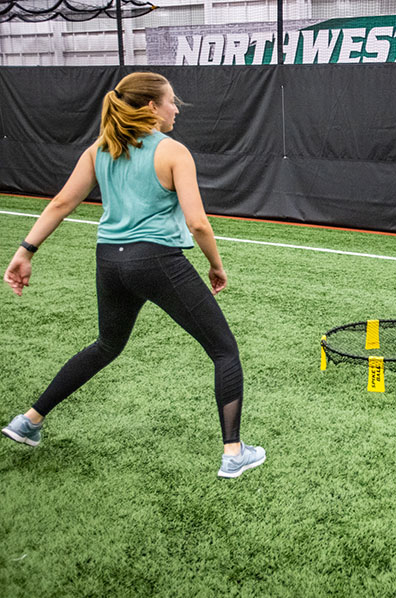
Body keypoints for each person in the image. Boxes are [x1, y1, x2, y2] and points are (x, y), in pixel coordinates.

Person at [1, 72, 265, 479]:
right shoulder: (174, 152)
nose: (176, 108)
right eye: (171, 101)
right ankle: (234, 452)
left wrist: (25, 251)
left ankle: (29, 421)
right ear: (150, 108)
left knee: (107, 344)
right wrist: (216, 264)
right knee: (224, 351)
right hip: (156, 262)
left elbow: (60, 203)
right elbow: (198, 224)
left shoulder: (99, 149)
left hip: (110, 262)